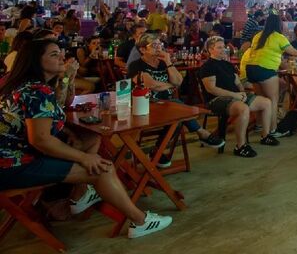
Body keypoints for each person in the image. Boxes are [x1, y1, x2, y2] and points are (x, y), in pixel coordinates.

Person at [0, 39, 173, 238]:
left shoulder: (23, 84)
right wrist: (84, 158)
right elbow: (41, 140)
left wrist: (67, 80)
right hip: (11, 166)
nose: (62, 58)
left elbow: (50, 115)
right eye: (54, 55)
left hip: (15, 156)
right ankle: (140, 221)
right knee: (102, 168)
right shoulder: (36, 91)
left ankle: (78, 195)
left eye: (61, 53)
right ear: (35, 61)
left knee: (88, 138)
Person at [128, 33, 225, 166]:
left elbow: (179, 81)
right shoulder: (136, 65)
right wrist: (170, 85)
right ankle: (202, 133)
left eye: (160, 45)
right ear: (143, 49)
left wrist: (168, 62)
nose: (159, 48)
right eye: (154, 45)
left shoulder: (163, 63)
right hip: (145, 106)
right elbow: (153, 85)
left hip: (166, 106)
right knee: (180, 109)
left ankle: (157, 152)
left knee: (178, 119)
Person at [199, 37, 281, 157]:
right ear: (210, 50)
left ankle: (265, 135)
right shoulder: (207, 67)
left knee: (266, 103)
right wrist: (235, 95)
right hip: (216, 100)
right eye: (219, 47)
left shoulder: (227, 64)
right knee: (243, 109)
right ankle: (240, 146)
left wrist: (243, 93)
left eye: (224, 47)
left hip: (235, 96)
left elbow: (237, 82)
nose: (223, 50)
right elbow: (212, 89)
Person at [242, 14, 297, 122]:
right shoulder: (279, 37)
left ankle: (260, 125)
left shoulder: (258, 35)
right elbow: (295, 53)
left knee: (261, 99)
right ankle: (273, 129)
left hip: (250, 69)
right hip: (265, 69)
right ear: (279, 25)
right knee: (273, 100)